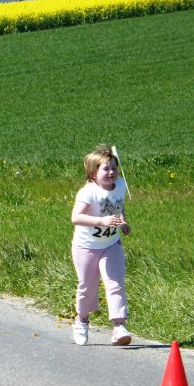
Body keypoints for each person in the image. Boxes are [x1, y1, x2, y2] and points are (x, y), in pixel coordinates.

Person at [70, 144, 132, 346]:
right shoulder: (89, 192)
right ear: (93, 173)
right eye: (105, 169)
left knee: (115, 283)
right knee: (88, 287)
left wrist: (122, 222)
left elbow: (118, 205)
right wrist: (101, 222)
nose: (112, 172)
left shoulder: (120, 185)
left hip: (111, 244)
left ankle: (118, 326)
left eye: (114, 167)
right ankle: (82, 320)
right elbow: (76, 217)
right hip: (86, 246)